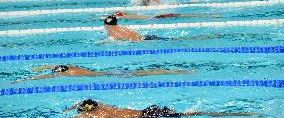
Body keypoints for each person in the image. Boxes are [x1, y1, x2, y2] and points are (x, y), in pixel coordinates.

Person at [65, 99, 259, 118]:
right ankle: (242, 113)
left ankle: (242, 114)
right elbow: (85, 100)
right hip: (148, 111)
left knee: (193, 114)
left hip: (149, 116)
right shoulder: (103, 107)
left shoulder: (97, 115)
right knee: (191, 114)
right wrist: (72, 107)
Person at [11, 65, 192, 84]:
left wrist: (25, 79)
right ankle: (177, 70)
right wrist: (40, 67)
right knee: (144, 72)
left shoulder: (66, 75)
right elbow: (53, 66)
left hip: (110, 76)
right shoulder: (72, 68)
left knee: (144, 75)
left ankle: (179, 72)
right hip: (111, 72)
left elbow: (47, 77)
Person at [104, 15, 219, 41]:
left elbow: (111, 42)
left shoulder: (112, 32)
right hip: (147, 38)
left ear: (106, 25)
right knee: (174, 39)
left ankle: (205, 37)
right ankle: (205, 36)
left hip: (146, 41)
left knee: (176, 40)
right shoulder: (121, 27)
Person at [113, 11, 223, 20]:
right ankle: (211, 15)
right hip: (156, 17)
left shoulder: (125, 17)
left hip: (156, 18)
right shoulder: (127, 15)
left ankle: (211, 16)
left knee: (182, 15)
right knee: (182, 15)